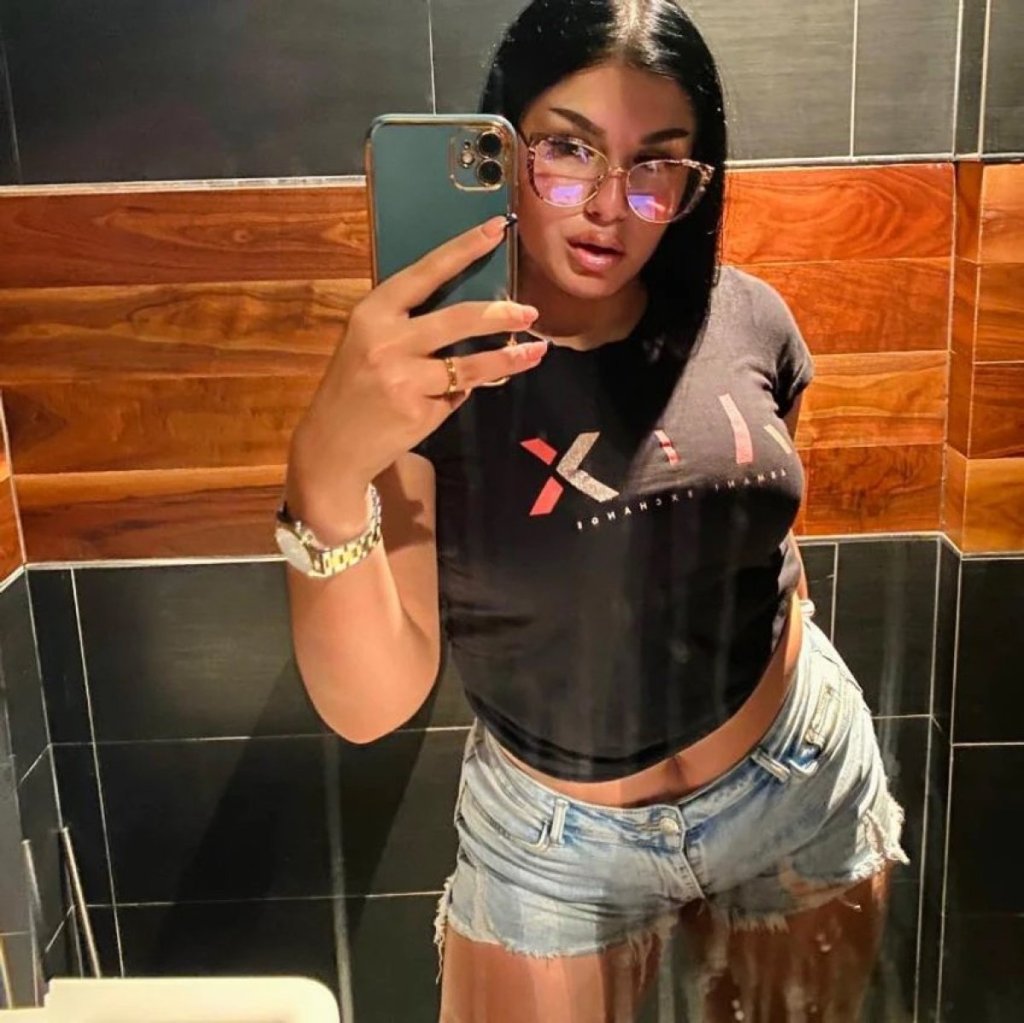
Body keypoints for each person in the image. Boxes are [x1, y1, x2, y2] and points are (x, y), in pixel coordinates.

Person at [279, 2, 909, 1019]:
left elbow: (759, 535)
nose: (610, 207)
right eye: (567, 152)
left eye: (657, 164)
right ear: (505, 142)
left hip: (794, 777)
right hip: (552, 843)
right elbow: (369, 706)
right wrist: (325, 468)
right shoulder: (428, 376)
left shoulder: (747, 315)